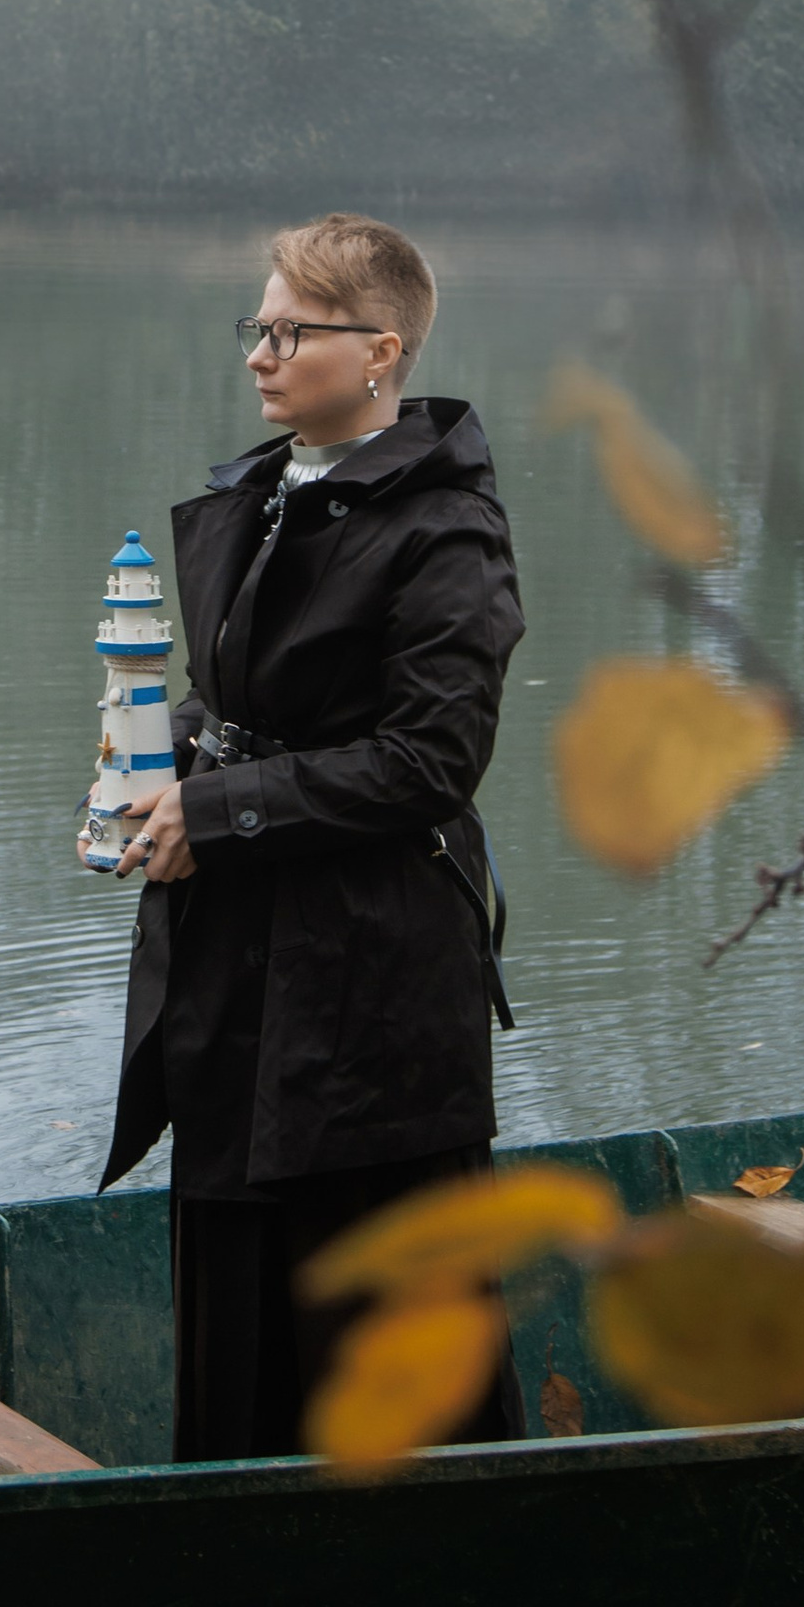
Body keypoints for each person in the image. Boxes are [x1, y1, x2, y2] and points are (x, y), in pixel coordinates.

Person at [95, 212, 528, 1462]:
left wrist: (217, 813)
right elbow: (242, 703)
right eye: (256, 325)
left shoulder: (450, 532)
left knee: (382, 1319)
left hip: (372, 983)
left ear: (380, 350)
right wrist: (159, 762)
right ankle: (236, 1575)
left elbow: (428, 763)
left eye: (289, 331)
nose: (259, 354)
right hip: (238, 955)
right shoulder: (274, 491)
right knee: (236, 1295)